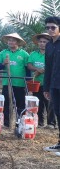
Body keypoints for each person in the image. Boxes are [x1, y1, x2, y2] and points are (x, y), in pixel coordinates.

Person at [0, 32, 29, 131]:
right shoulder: (3, 53)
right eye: (9, 40)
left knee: (20, 104)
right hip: (7, 82)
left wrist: (27, 81)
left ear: (17, 42)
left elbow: (28, 70)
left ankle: (20, 123)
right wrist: (3, 63)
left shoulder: (24, 54)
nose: (11, 42)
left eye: (13, 40)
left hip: (20, 83)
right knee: (7, 103)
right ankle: (7, 123)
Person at [41, 16, 60, 151]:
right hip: (54, 85)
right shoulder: (48, 46)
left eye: (53, 27)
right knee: (58, 113)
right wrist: (46, 87)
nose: (50, 30)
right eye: (47, 27)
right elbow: (48, 68)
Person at [27, 33, 53, 128]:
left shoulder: (52, 53)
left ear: (49, 43)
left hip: (49, 83)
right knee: (38, 103)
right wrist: (36, 69)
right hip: (37, 83)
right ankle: (40, 122)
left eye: (45, 42)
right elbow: (29, 65)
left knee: (50, 103)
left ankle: (51, 123)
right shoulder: (33, 54)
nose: (42, 44)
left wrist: (44, 70)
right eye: (40, 42)